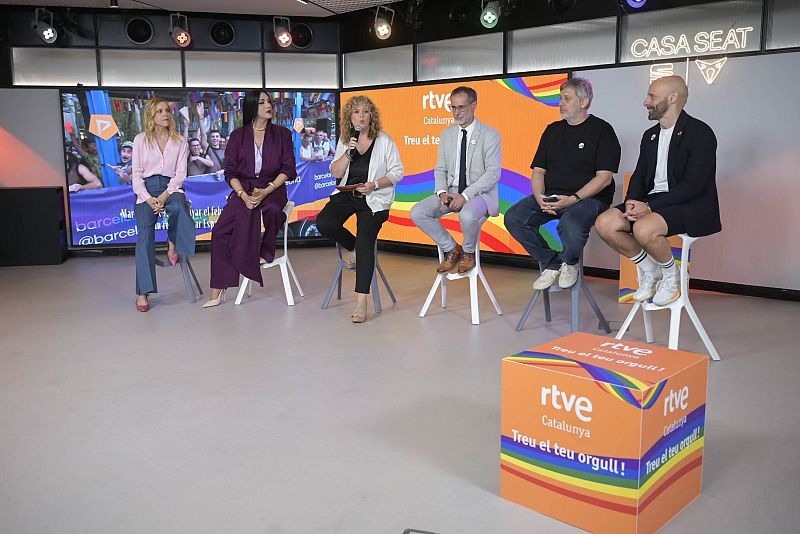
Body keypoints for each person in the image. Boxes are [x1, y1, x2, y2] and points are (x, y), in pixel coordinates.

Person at [595, 75, 720, 306]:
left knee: (644, 228)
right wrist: (632, 201)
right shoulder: (650, 135)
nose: (645, 101)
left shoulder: (700, 133)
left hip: (691, 205)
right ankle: (650, 270)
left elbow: (694, 185)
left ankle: (671, 276)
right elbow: (640, 174)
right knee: (605, 223)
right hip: (655, 202)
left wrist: (649, 207)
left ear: (672, 98)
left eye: (651, 96)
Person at [504, 77, 621, 290]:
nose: (561, 103)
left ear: (584, 102)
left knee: (570, 224)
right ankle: (553, 262)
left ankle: (570, 262)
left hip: (588, 199)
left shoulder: (603, 130)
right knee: (514, 218)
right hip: (552, 195)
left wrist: (573, 199)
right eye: (560, 98)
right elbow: (538, 171)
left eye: (566, 99)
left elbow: (604, 178)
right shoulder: (552, 130)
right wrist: (539, 196)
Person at [203, 90, 296, 308]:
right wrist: (244, 195)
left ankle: (265, 250)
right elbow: (230, 173)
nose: (268, 105)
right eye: (262, 102)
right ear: (253, 107)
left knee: (273, 210)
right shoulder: (238, 135)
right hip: (243, 188)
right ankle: (219, 286)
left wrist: (267, 189)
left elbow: (288, 168)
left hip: (273, 187)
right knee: (220, 231)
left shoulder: (282, 134)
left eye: (269, 101)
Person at [315, 95, 403, 323]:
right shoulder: (346, 140)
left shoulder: (383, 140)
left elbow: (397, 172)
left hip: (374, 199)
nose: (361, 116)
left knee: (366, 242)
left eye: (365, 112)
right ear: (349, 117)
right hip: (348, 193)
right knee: (324, 222)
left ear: (371, 115)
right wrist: (347, 153)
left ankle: (361, 302)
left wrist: (374, 185)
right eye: (357, 112)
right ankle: (351, 245)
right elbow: (335, 173)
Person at [410, 86, 501, 274]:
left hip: (480, 194)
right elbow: (440, 168)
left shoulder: (490, 135)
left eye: (461, 107)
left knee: (466, 215)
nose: (456, 112)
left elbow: (493, 174)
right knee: (417, 212)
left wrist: (465, 196)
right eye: (453, 107)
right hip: (451, 190)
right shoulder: (447, 134)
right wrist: (442, 192)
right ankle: (452, 249)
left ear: (474, 105)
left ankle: (468, 253)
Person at [132, 97, 196, 312]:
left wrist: (166, 195)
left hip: (171, 186)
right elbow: (137, 176)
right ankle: (143, 292)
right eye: (160, 111)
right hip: (146, 190)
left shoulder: (180, 141)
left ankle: (173, 242)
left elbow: (180, 175)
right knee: (144, 239)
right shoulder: (140, 140)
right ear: (151, 115)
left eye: (167, 110)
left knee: (179, 206)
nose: (165, 114)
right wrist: (149, 198)